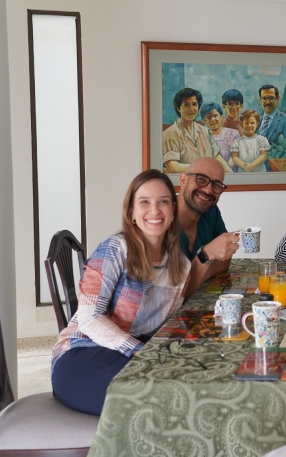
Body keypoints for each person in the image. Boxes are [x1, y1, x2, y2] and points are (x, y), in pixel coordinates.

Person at [51, 169, 192, 415]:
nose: (155, 210)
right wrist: (138, 351)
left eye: (163, 202)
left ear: (173, 211)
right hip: (81, 352)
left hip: (132, 353)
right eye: (144, 202)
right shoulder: (115, 249)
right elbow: (88, 318)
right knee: (158, 402)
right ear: (132, 213)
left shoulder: (181, 265)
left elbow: (167, 327)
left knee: (186, 388)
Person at [177, 157, 240, 286]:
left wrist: (193, 276)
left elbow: (224, 260)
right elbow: (171, 289)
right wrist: (206, 256)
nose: (208, 190)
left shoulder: (211, 212)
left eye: (216, 185)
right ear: (183, 180)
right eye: (201, 179)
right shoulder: (160, 219)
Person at [162, 87, 230, 173]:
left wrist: (235, 178)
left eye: (194, 104)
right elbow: (173, 167)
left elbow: (218, 158)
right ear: (178, 108)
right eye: (186, 105)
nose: (191, 109)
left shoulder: (204, 131)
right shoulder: (170, 134)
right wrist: (203, 168)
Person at [200, 101, 239, 169]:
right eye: (208, 117)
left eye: (215, 116)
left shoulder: (233, 133)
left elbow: (235, 156)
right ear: (204, 121)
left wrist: (226, 170)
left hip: (230, 171)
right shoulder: (203, 137)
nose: (212, 120)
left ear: (221, 116)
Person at [257, 84, 286, 152]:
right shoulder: (255, 121)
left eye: (271, 98)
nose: (267, 102)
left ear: (277, 99)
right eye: (264, 98)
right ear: (260, 99)